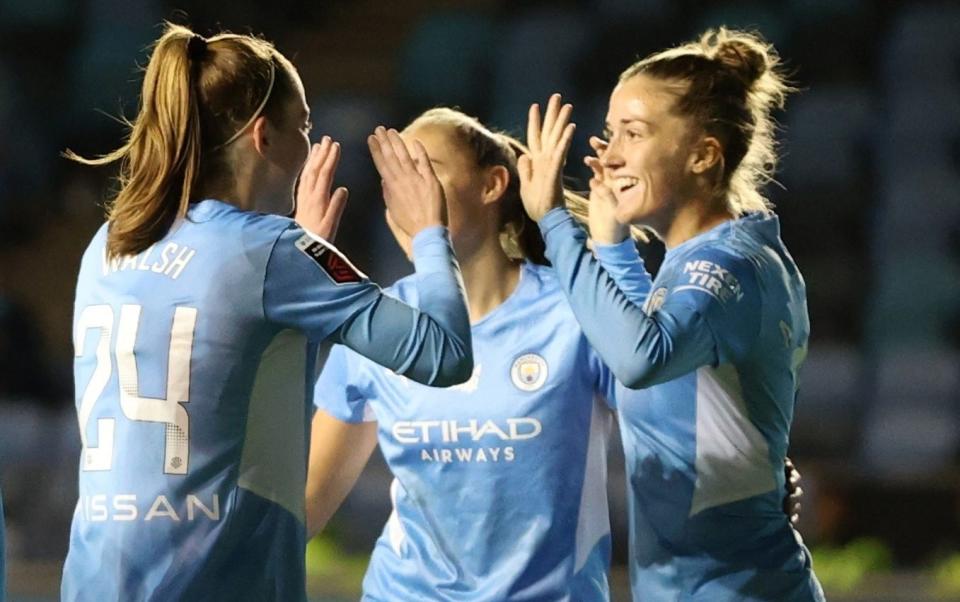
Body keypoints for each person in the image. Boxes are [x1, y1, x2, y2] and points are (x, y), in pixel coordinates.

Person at [62, 23, 473, 601]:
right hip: (219, 583)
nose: (308, 142)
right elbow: (445, 354)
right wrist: (431, 229)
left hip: (95, 582)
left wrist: (301, 265)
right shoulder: (275, 251)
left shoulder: (111, 243)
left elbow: (241, 374)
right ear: (263, 136)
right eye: (303, 125)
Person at [518, 28, 825, 601]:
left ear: (704, 154)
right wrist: (612, 246)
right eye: (611, 133)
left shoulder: (728, 267)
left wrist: (555, 223)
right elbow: (660, 360)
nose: (609, 155)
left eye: (633, 134)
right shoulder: (704, 261)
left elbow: (640, 358)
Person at [306, 108, 619, 600]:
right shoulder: (376, 322)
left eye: (423, 168)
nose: (405, 188)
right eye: (394, 174)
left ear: (493, 184)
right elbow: (305, 505)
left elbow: (673, 432)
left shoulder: (576, 310)